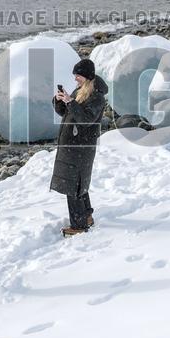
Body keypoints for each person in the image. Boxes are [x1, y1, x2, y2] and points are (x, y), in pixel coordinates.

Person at [50, 58, 108, 237]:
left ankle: (79, 224)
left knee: (73, 185)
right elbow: (68, 113)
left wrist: (71, 102)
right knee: (79, 183)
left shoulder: (96, 96)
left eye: (78, 75)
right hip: (73, 145)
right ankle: (86, 215)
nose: (75, 78)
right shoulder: (81, 90)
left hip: (81, 146)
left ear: (88, 77)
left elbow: (85, 119)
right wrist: (60, 101)